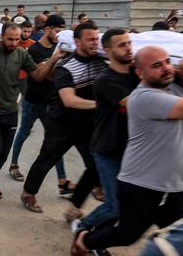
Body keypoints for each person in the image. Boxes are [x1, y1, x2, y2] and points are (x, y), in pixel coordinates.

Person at [73, 46, 183, 254]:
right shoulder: (143, 97)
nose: (166, 68)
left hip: (174, 182)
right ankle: (84, 241)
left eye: (168, 61)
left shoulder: (172, 88)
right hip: (142, 183)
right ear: (140, 73)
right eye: (157, 65)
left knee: (174, 229)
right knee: (127, 234)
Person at [21, 22, 107, 213]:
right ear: (77, 41)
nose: (95, 43)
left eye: (97, 39)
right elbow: (69, 100)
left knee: (95, 164)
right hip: (61, 124)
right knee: (47, 159)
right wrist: (104, 106)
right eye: (90, 39)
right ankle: (28, 193)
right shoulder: (65, 66)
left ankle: (76, 204)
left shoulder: (101, 64)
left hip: (87, 125)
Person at [0, 23, 61, 201]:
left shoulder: (22, 54)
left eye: (17, 39)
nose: (14, 43)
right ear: (1, 36)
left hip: (11, 109)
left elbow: (39, 76)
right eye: (10, 39)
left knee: (4, 151)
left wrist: (53, 60)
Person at [74, 28, 140, 235]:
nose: (128, 48)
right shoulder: (105, 80)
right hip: (108, 150)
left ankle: (100, 236)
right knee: (114, 205)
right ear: (108, 50)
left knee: (126, 204)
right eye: (122, 45)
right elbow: (136, 105)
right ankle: (83, 228)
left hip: (133, 151)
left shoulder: (137, 74)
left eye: (129, 43)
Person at [9, 15, 74, 196]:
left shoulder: (59, 48)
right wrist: (53, 64)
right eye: (57, 31)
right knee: (23, 133)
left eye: (62, 31)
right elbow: (44, 75)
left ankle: (62, 180)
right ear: (47, 29)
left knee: (55, 141)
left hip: (51, 102)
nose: (60, 35)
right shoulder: (34, 49)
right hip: (33, 101)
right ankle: (14, 164)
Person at [17, 20, 36, 97]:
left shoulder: (33, 44)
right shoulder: (14, 42)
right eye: (25, 31)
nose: (27, 34)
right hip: (12, 75)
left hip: (26, 77)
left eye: (29, 32)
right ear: (20, 29)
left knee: (26, 98)